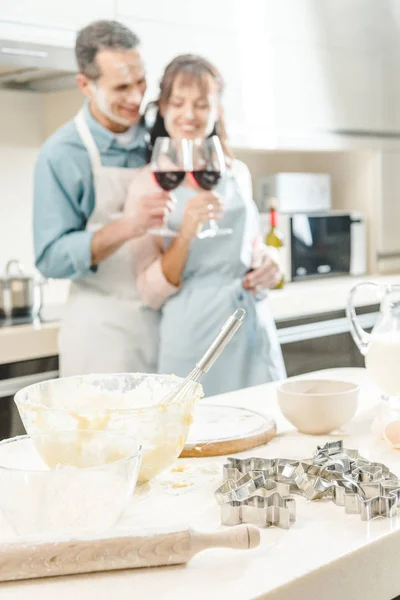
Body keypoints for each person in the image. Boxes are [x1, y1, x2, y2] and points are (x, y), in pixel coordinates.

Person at [125, 54, 286, 396]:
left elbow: (253, 245)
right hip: (193, 333)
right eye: (178, 103)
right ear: (163, 108)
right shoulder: (146, 184)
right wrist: (186, 232)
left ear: (217, 111)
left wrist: (270, 262)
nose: (188, 115)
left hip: (250, 324)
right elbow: (149, 293)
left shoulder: (236, 173)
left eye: (201, 104)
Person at [33, 20, 173, 376]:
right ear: (86, 85)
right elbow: (50, 258)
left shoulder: (162, 136)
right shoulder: (63, 153)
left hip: (169, 321)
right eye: (121, 87)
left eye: (140, 81)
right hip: (102, 334)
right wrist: (128, 226)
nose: (135, 97)